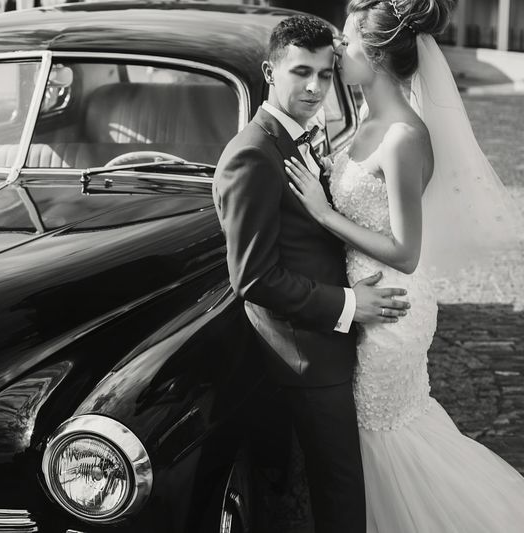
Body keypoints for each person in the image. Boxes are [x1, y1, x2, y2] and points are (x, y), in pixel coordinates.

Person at [284, 0, 524, 531]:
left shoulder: (403, 137)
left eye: (346, 42)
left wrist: (323, 214)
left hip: (392, 314)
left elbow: (406, 251)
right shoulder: (368, 120)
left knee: (382, 442)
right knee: (373, 447)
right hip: (364, 304)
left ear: (375, 55)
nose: (338, 50)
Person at [212, 15, 410, 533]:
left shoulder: (297, 135)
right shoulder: (252, 155)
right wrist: (350, 304)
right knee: (340, 493)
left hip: (331, 340)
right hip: (307, 353)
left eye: (324, 74)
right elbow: (253, 277)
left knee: (340, 485)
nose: (314, 87)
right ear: (269, 73)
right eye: (300, 72)